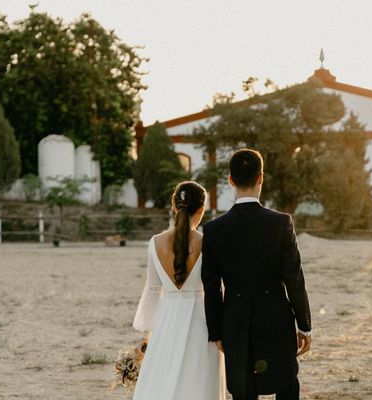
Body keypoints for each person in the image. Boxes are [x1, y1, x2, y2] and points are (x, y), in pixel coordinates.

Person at [202, 148, 312, 400]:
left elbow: (211, 286)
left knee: (243, 391)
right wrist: (304, 325)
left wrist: (216, 331)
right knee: (286, 383)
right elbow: (294, 278)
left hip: (235, 322)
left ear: (230, 180)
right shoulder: (281, 223)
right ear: (261, 177)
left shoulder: (213, 230)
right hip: (276, 318)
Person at [132, 180, 226, 400]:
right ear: (201, 209)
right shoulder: (207, 242)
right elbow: (215, 287)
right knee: (198, 380)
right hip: (201, 321)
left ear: (174, 206)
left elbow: (153, 289)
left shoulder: (155, 242)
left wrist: (148, 333)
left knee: (164, 377)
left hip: (166, 319)